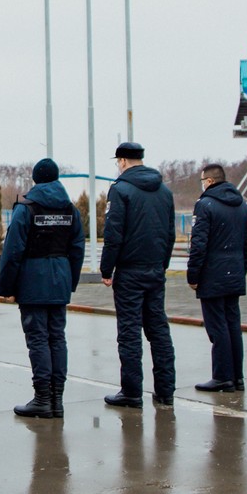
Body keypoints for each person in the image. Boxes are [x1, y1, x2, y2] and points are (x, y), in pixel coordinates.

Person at [0, 158, 85, 418]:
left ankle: (42, 398)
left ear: (35, 179)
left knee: (37, 339)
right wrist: (70, 281)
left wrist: (7, 288)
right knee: (57, 337)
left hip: (33, 280)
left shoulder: (27, 209)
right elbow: (77, 248)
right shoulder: (70, 209)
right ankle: (56, 399)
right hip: (59, 280)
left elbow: (13, 251)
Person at [102, 142, 179, 407]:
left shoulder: (120, 190)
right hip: (155, 270)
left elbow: (113, 234)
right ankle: (166, 390)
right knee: (158, 330)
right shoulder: (164, 191)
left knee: (129, 332)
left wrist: (106, 269)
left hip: (130, 272)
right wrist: (162, 264)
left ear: (122, 161)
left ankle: (132, 392)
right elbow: (170, 234)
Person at [186, 162, 247, 394]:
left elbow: (199, 244)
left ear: (210, 181)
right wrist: (240, 269)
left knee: (217, 327)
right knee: (233, 324)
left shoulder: (205, 205)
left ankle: (222, 376)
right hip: (233, 273)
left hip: (212, 274)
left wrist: (193, 274)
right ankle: (237, 376)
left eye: (203, 181)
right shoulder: (241, 205)